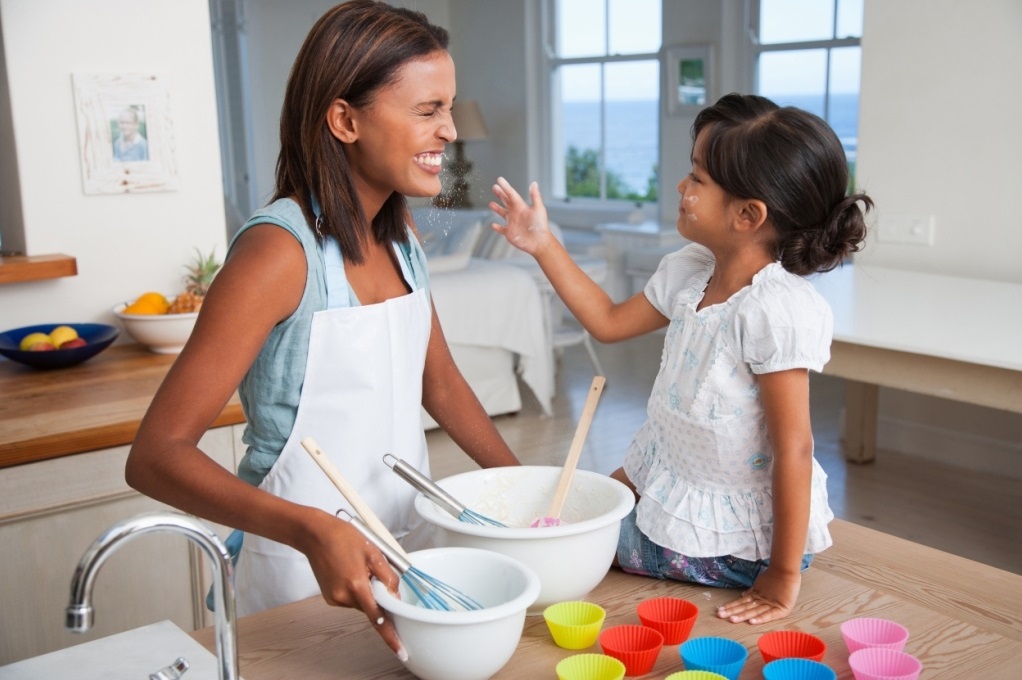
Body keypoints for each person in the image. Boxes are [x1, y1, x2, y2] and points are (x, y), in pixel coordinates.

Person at [125, 0, 519, 659]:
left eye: (448, 108)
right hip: (293, 578)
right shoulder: (278, 254)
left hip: (405, 552)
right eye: (428, 110)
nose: (450, 131)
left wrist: (528, 504)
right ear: (344, 119)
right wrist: (311, 532)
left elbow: (442, 384)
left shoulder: (400, 240)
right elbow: (156, 454)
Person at [489, 93, 871, 625]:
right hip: (672, 474)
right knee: (576, 506)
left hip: (742, 540)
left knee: (581, 540)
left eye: (697, 178)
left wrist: (782, 577)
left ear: (746, 215)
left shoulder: (773, 312)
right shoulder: (691, 272)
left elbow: (796, 449)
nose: (680, 187)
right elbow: (607, 321)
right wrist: (542, 243)